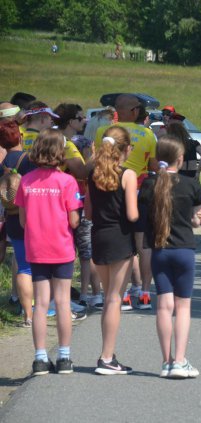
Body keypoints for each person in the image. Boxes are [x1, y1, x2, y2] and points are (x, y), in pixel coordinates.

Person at [139, 135, 201, 378]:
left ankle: (166, 361)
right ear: (180, 159)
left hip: (159, 251)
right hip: (184, 250)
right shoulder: (189, 184)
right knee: (183, 306)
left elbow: (146, 217)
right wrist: (197, 220)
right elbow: (193, 218)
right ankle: (180, 360)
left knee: (164, 306)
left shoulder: (150, 185)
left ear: (158, 158)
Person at [15, 129, 83, 376]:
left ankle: (40, 358)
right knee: (63, 302)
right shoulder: (67, 181)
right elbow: (74, 220)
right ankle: (64, 357)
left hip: (36, 247)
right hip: (62, 248)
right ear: (60, 152)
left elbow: (22, 221)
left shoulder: (26, 180)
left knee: (41, 304)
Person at [95, 94, 158, 311]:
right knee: (143, 246)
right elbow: (154, 166)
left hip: (105, 187)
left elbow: (96, 158)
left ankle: (113, 293)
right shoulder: (148, 134)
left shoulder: (102, 133)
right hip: (138, 192)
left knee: (118, 243)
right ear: (134, 111)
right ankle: (144, 293)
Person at [85, 126, 139, 375]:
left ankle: (108, 354)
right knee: (115, 299)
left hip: (99, 235)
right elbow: (132, 214)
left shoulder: (93, 174)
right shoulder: (127, 175)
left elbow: (88, 212)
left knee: (109, 299)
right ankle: (107, 358)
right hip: (120, 238)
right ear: (125, 148)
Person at [54, 103, 102, 310]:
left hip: (65, 200)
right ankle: (83, 295)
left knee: (77, 250)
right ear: (71, 121)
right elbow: (81, 171)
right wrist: (97, 155)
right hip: (72, 202)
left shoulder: (59, 140)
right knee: (83, 250)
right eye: (81, 118)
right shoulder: (67, 144)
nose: (84, 121)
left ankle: (82, 294)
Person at [0, 119, 37, 328]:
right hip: (31, 217)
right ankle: (41, 308)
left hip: (12, 217)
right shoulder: (28, 160)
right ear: (20, 137)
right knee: (39, 267)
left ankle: (27, 315)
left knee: (23, 266)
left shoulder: (2, 166)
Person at [166, 122, 201, 242]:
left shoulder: (174, 145)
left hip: (179, 175)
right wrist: (198, 171)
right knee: (200, 206)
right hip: (192, 175)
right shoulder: (193, 143)